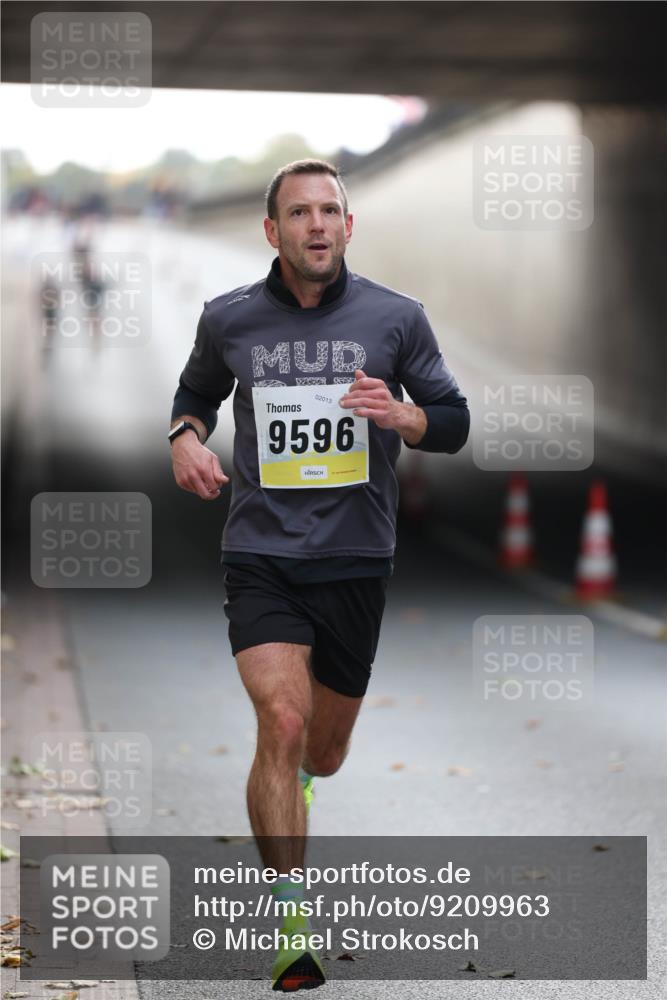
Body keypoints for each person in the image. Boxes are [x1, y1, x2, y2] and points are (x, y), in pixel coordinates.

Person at [169, 159, 469, 991]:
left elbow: (451, 420)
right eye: (298, 212)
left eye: (329, 210)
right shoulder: (228, 319)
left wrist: (403, 413)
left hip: (355, 559)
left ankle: (300, 786)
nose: (315, 225)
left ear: (347, 225)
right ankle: (289, 927)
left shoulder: (395, 319)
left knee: (324, 755)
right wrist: (184, 438)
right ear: (272, 230)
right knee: (283, 719)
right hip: (261, 555)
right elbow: (194, 395)